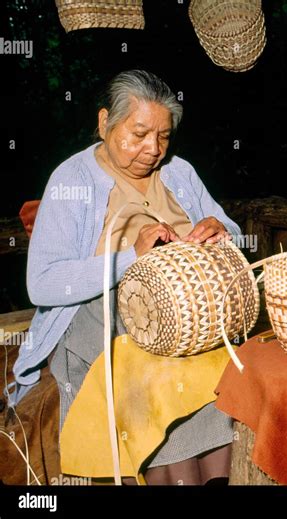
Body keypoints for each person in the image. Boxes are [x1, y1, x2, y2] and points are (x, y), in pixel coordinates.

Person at [10, 70, 241, 485]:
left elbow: (234, 233)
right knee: (160, 379)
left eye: (164, 136)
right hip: (104, 322)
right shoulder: (73, 180)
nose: (153, 150)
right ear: (104, 123)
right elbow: (42, 282)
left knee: (229, 369)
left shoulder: (180, 172)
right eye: (138, 134)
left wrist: (219, 231)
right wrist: (128, 258)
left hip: (192, 318)